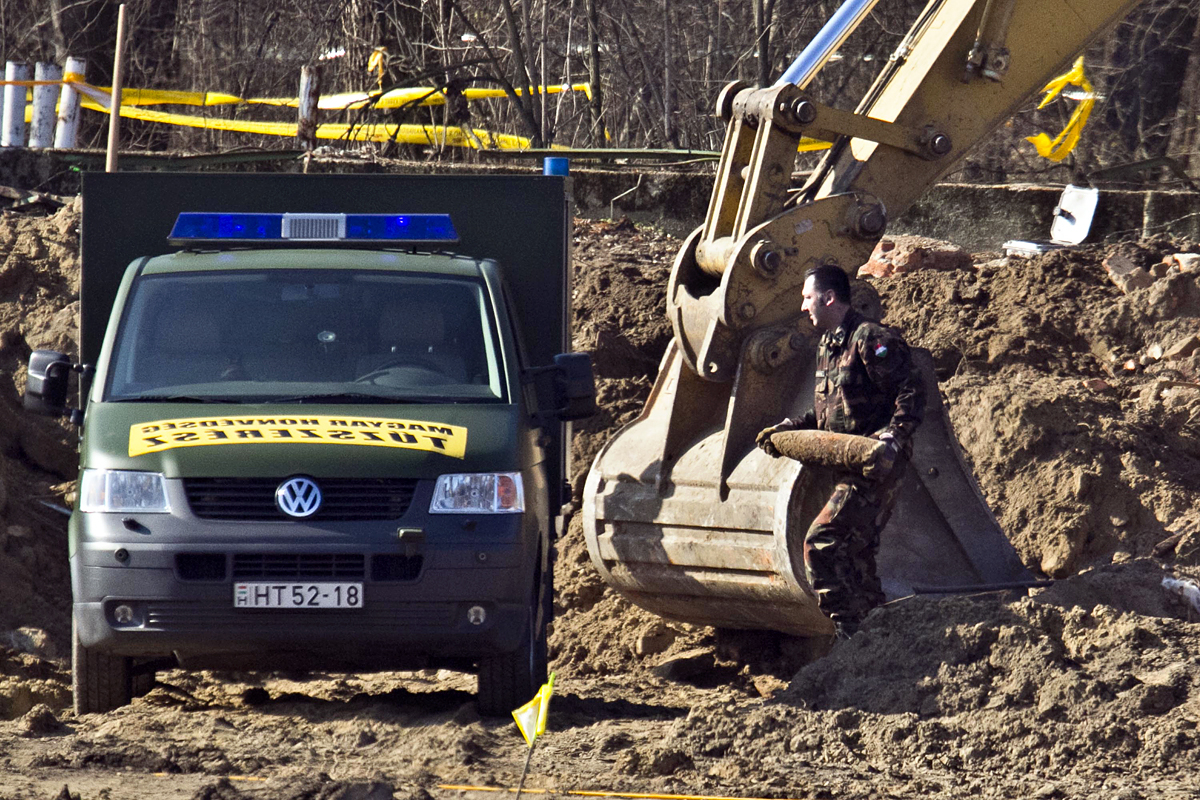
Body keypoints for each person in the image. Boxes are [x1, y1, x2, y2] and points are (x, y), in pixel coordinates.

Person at [755, 264, 925, 641]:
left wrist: (892, 438)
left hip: (875, 467)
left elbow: (912, 392)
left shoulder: (871, 339)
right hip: (844, 463)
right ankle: (875, 636)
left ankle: (849, 633)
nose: (803, 307)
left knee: (822, 542)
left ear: (829, 298)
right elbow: (827, 412)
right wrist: (791, 428)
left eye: (807, 297)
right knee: (855, 552)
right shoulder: (829, 345)